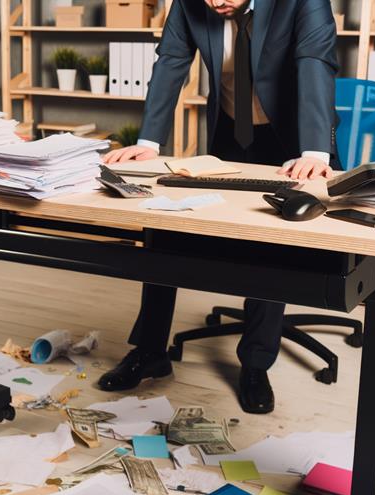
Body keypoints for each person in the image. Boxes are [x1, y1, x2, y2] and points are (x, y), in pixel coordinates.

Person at [99, 0, 341, 414]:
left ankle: (255, 364)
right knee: (167, 227)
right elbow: (172, 61)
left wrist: (315, 150)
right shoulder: (191, 3)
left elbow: (314, 60)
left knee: (270, 243)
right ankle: (150, 350)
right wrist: (147, 143)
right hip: (230, 132)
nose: (214, 2)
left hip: (294, 139)